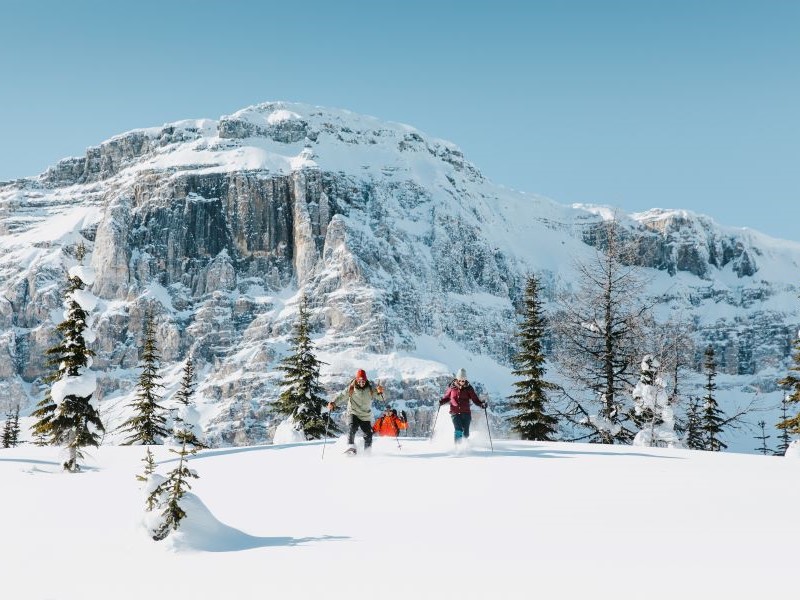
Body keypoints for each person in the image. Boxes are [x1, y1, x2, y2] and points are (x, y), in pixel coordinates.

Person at [327, 369, 381, 454]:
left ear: (366, 380)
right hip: (353, 412)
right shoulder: (351, 388)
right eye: (360, 381)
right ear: (357, 380)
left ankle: (367, 452)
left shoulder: (370, 389)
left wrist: (380, 392)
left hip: (365, 415)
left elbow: (381, 398)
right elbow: (342, 396)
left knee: (369, 434)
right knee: (352, 427)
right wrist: (333, 403)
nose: (362, 383)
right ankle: (350, 446)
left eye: (363, 381)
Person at [439, 368, 487, 444]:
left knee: (466, 433)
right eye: (460, 380)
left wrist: (481, 404)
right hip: (455, 412)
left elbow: (475, 399)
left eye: (464, 380)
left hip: (466, 413)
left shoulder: (469, 388)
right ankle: (458, 448)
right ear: (457, 379)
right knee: (458, 430)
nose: (462, 382)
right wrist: (441, 402)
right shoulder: (452, 388)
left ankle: (465, 446)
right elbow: (447, 398)